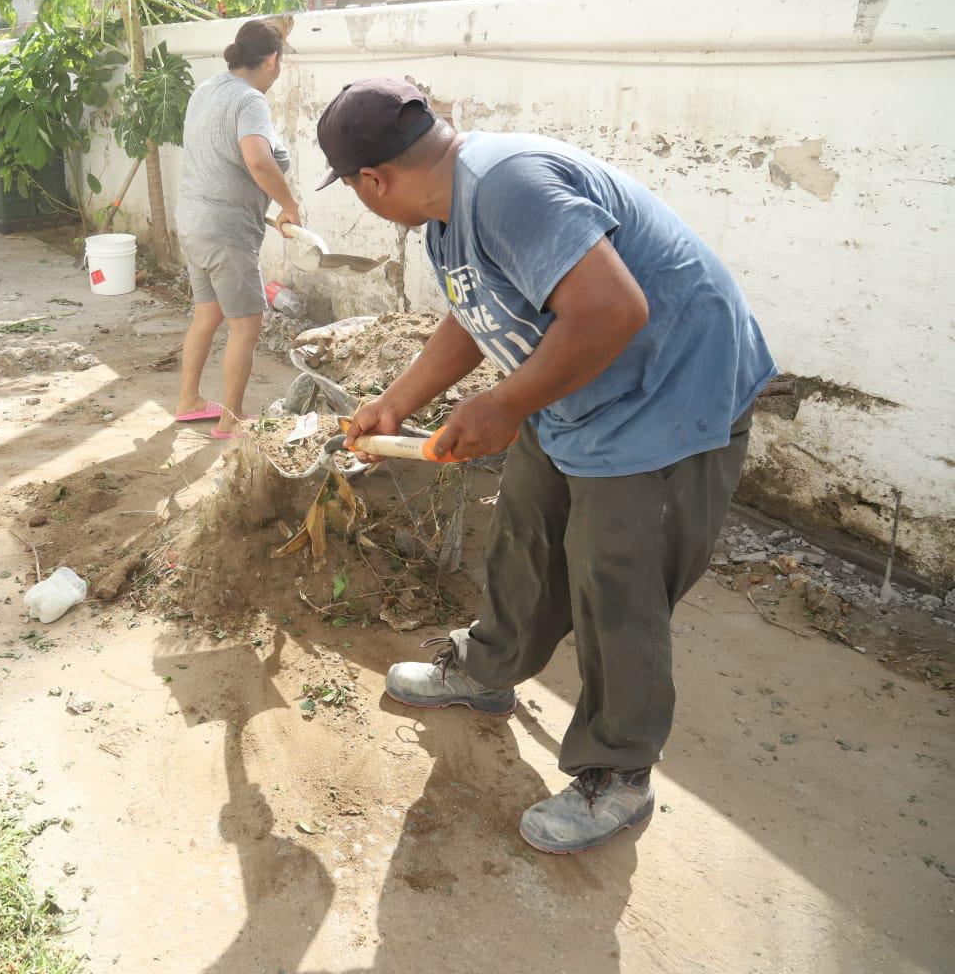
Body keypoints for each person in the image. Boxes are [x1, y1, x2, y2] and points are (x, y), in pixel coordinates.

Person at [324, 78, 776, 854]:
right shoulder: (451, 209)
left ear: (374, 181)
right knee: (528, 531)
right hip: (579, 387)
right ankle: (486, 670)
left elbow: (614, 309)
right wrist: (397, 400)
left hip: (666, 398)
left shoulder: (507, 187)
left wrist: (503, 405)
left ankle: (617, 774)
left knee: (614, 582)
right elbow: (481, 314)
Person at [173, 18, 299, 439]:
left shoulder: (206, 90)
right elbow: (258, 160)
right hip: (226, 232)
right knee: (245, 326)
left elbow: (217, 158)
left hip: (193, 224)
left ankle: (189, 401)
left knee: (206, 315)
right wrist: (289, 203)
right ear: (272, 60)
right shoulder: (250, 101)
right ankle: (231, 418)